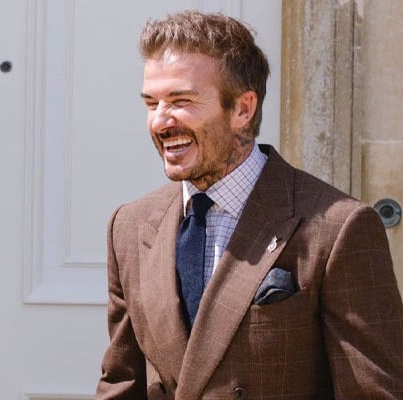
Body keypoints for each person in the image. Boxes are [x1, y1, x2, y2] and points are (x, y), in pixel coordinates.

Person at [96, 11, 403, 399]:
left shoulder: (340, 228)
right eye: (151, 103)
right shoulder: (128, 227)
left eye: (181, 100)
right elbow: (121, 384)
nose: (160, 121)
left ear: (243, 109)